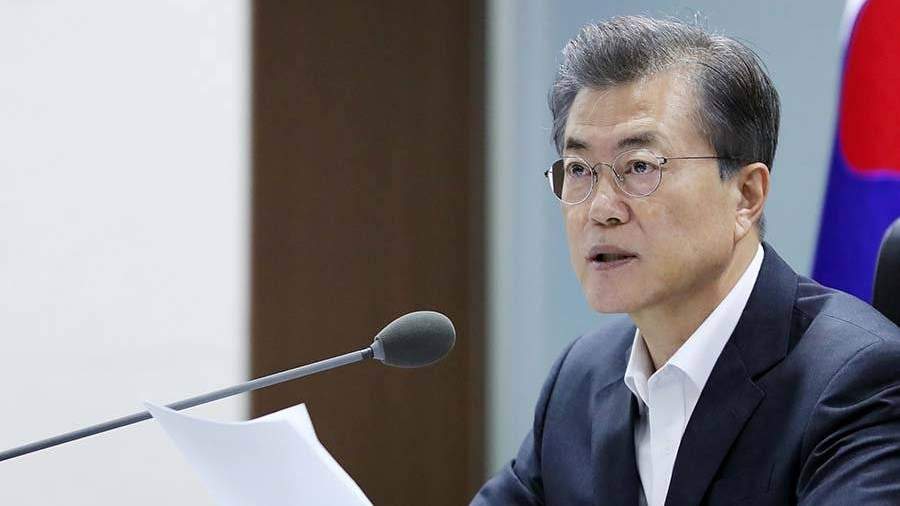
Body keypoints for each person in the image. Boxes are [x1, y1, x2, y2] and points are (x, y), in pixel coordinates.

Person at [471, 15, 900, 505]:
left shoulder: (859, 382)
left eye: (639, 167)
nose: (601, 208)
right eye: (579, 169)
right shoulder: (579, 380)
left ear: (746, 195)